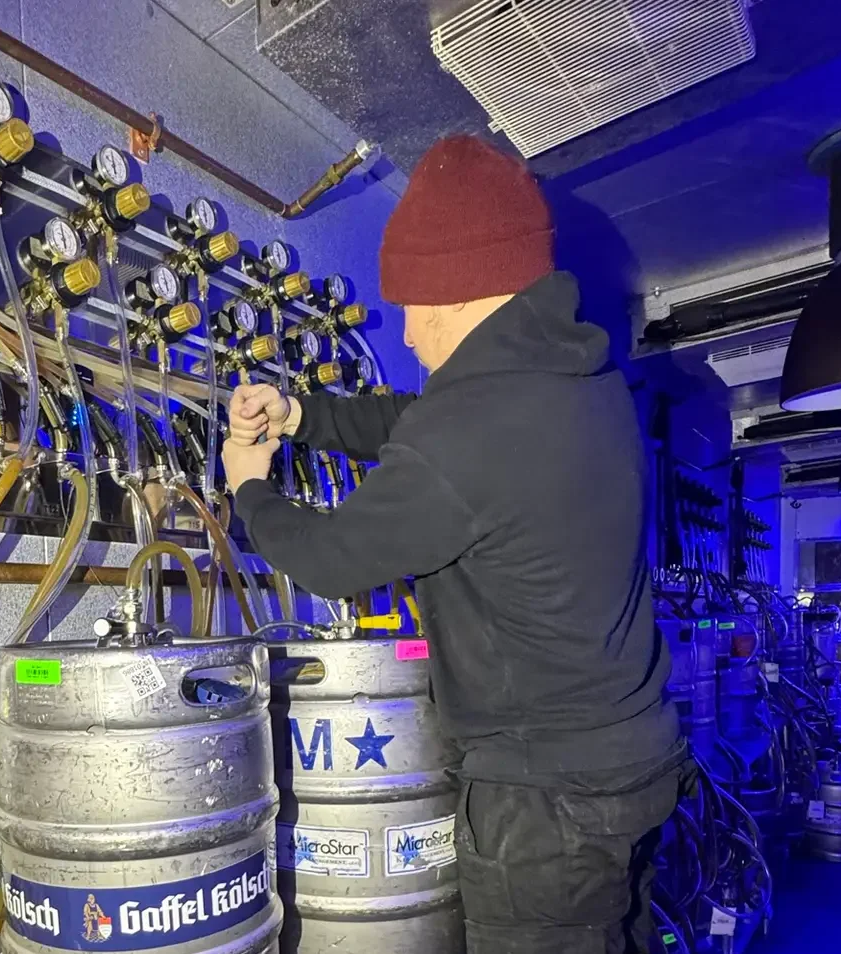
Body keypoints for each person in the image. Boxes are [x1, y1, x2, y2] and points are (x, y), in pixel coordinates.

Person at [221, 135, 684, 954]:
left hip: (547, 804)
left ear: (454, 293)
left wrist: (249, 487)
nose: (403, 334)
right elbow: (421, 425)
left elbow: (333, 558)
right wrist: (304, 417)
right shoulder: (581, 382)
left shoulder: (469, 432)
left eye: (410, 307)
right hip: (635, 761)